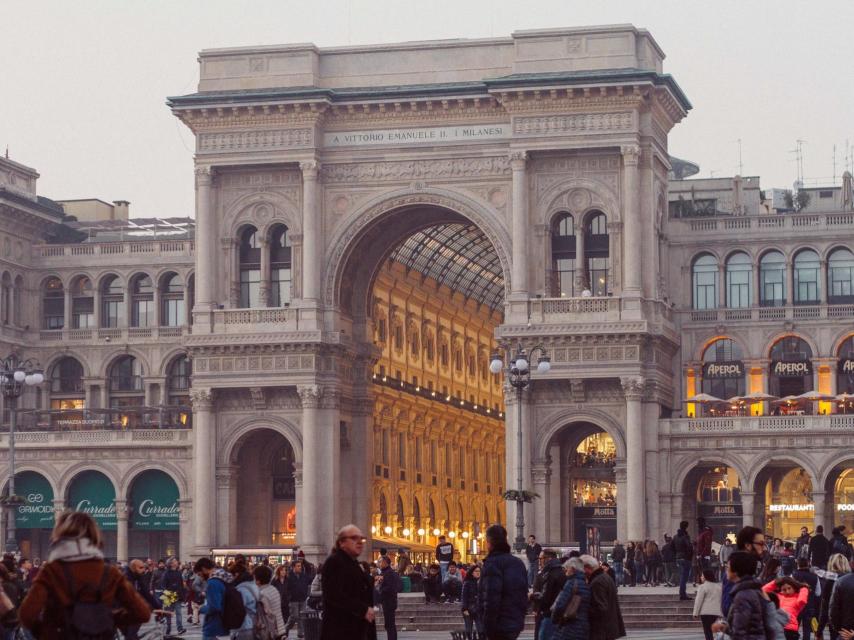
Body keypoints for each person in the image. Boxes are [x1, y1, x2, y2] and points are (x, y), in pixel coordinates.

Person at [18, 511, 151, 640]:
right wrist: (111, 618)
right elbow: (142, 613)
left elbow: (26, 614)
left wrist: (46, 632)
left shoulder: (52, 571)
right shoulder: (110, 573)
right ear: (94, 536)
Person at [320, 524, 375, 640]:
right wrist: (363, 610)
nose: (360, 542)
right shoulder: (334, 562)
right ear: (342, 542)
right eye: (354, 538)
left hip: (356, 630)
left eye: (362, 539)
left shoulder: (353, 563)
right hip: (340, 631)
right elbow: (333, 594)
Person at [479, 524, 528, 640]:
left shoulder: (492, 563)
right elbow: (523, 594)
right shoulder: (518, 563)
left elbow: (491, 598)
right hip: (515, 623)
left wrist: (487, 627)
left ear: (490, 542)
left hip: (498, 625)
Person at [722, 526, 766, 616]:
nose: (764, 548)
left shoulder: (754, 565)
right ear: (748, 545)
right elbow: (728, 608)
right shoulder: (736, 567)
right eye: (760, 544)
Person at [725, 551, 767, 640]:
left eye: (727, 567)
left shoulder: (742, 595)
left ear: (736, 571)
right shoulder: (753, 589)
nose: (726, 570)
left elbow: (739, 632)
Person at [546, 556, 591, 640]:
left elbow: (560, 605)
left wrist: (554, 619)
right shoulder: (585, 584)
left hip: (569, 627)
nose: (565, 570)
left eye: (567, 568)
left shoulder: (571, 582)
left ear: (573, 569)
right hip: (583, 626)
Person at [582, 554, 625, 640]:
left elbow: (600, 608)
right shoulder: (605, 577)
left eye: (581, 569)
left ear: (587, 567)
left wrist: (583, 609)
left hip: (601, 632)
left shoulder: (597, 582)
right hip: (608, 629)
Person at [125, 559, 165, 640]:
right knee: (131, 634)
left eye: (143, 567)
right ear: (133, 568)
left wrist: (158, 607)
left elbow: (146, 593)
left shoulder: (138, 576)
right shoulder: (125, 578)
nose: (143, 570)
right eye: (140, 567)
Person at [532, 548, 566, 640]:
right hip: (556, 613)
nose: (539, 561)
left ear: (549, 558)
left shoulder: (549, 573)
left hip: (548, 613)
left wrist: (531, 596)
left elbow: (545, 596)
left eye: (541, 558)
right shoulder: (560, 571)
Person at [194, 557, 231, 640]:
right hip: (223, 624)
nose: (201, 578)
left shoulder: (213, 583)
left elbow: (215, 607)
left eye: (200, 574)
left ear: (204, 569)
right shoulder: (223, 578)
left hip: (213, 627)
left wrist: (201, 608)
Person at [818, 552, 850, 640]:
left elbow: (825, 608)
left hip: (837, 626)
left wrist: (819, 630)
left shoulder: (830, 582)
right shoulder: (850, 579)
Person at [254, 565, 287, 640]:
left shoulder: (262, 595)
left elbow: (265, 615)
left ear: (258, 580)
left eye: (254, 577)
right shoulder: (274, 589)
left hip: (271, 632)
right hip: (280, 628)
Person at [375, 555, 401, 640]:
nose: (379, 563)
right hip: (386, 601)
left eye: (380, 561)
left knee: (390, 624)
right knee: (388, 623)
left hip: (389, 601)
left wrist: (380, 590)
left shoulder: (389, 573)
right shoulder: (384, 572)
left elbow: (390, 587)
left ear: (385, 563)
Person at [792, 557, 818, 640]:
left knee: (794, 627)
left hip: (796, 606)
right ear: (808, 564)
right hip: (809, 605)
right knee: (807, 629)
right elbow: (818, 593)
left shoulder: (793, 575)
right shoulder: (814, 577)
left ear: (798, 564)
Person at [160, 556, 187, 636]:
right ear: (171, 564)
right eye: (175, 561)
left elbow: (181, 585)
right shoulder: (166, 573)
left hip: (178, 595)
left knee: (179, 613)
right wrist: (168, 594)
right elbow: (163, 585)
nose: (177, 562)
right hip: (169, 596)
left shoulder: (179, 572)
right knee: (168, 613)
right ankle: (168, 629)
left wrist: (182, 595)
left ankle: (180, 629)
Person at [693, 569, 723, 640]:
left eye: (702, 576)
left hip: (705, 613)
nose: (701, 577)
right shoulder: (719, 587)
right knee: (711, 630)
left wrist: (695, 613)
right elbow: (721, 600)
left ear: (706, 577)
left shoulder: (702, 587)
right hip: (716, 613)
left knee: (707, 631)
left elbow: (698, 601)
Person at [285, 559, 311, 638]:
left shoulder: (303, 575)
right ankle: (286, 629)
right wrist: (289, 596)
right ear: (293, 567)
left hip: (302, 599)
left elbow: (309, 581)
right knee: (294, 616)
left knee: (301, 617)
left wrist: (305, 593)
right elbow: (286, 588)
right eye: (298, 566)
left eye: (300, 566)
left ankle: (300, 633)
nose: (300, 567)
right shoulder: (289, 576)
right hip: (293, 600)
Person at [829, 557, 854, 640]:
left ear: (851, 564)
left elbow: (833, 611)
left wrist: (840, 630)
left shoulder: (840, 582)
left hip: (845, 632)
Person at [461, 565, 484, 636]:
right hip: (469, 609)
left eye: (479, 571)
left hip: (479, 609)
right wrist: (464, 609)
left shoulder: (483, 582)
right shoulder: (467, 583)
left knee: (481, 630)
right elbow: (464, 597)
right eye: (476, 571)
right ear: (472, 572)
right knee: (468, 630)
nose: (478, 573)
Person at [0, 564, 21, 640]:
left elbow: (7, 607)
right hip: (12, 622)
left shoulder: (4, 586)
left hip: (5, 623)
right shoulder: (11, 585)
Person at [674, 522, 693, 600]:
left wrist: (677, 555)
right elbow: (689, 547)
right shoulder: (685, 536)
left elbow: (672, 547)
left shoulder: (675, 537)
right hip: (685, 558)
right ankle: (682, 594)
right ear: (686, 527)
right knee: (684, 577)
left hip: (678, 558)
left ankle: (682, 593)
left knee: (682, 576)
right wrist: (689, 557)